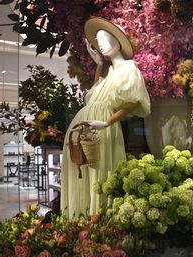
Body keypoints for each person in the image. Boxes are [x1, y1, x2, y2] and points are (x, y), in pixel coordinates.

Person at [61, 17, 151, 217]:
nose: (100, 44)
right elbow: (92, 97)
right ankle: (80, 224)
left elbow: (135, 101)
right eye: (98, 41)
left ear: (117, 42)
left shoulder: (129, 69)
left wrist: (106, 122)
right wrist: (99, 66)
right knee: (83, 175)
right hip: (82, 127)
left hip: (102, 127)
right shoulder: (109, 73)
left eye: (104, 39)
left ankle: (98, 224)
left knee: (99, 174)